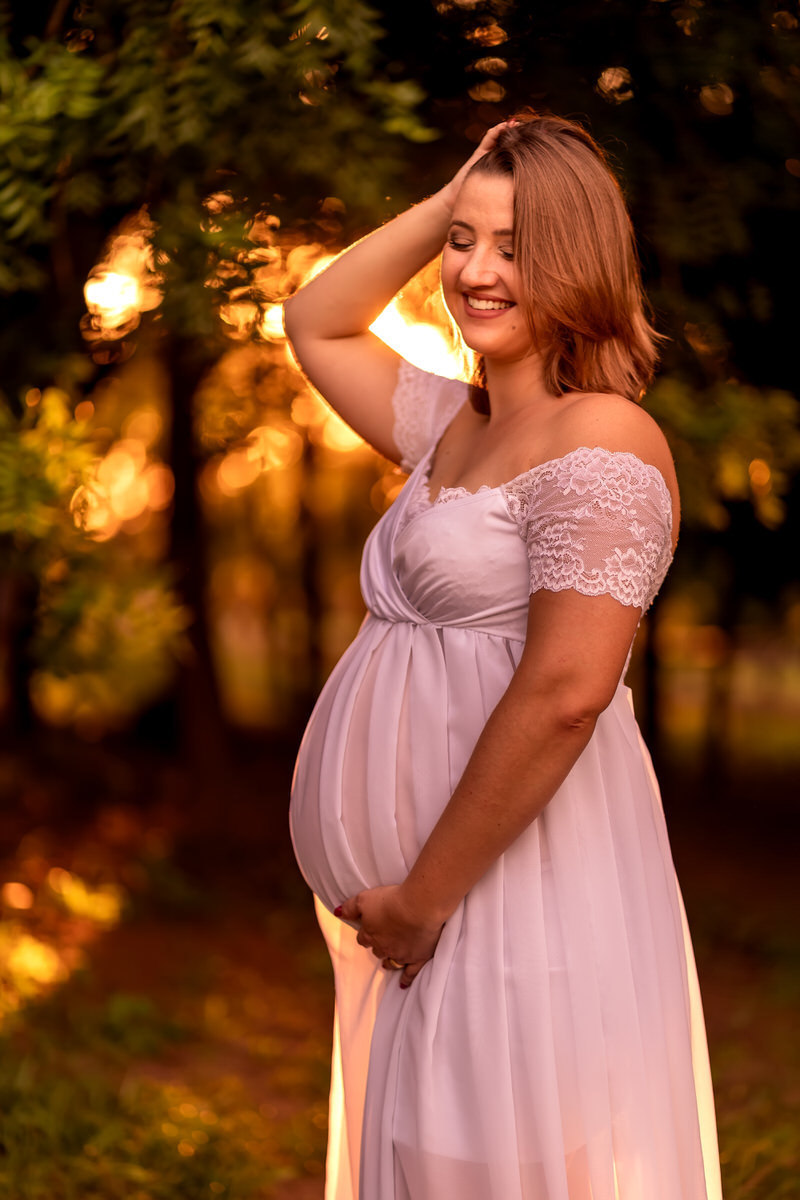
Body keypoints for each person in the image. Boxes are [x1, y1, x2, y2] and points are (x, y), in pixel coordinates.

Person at [286, 112, 723, 1200]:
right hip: (425, 908)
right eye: (464, 242)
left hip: (500, 887)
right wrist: (455, 194)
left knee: (499, 1163)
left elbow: (568, 692)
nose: (477, 272)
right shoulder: (451, 424)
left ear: (579, 259)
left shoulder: (601, 440)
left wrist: (422, 900)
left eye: (519, 246)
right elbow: (315, 319)